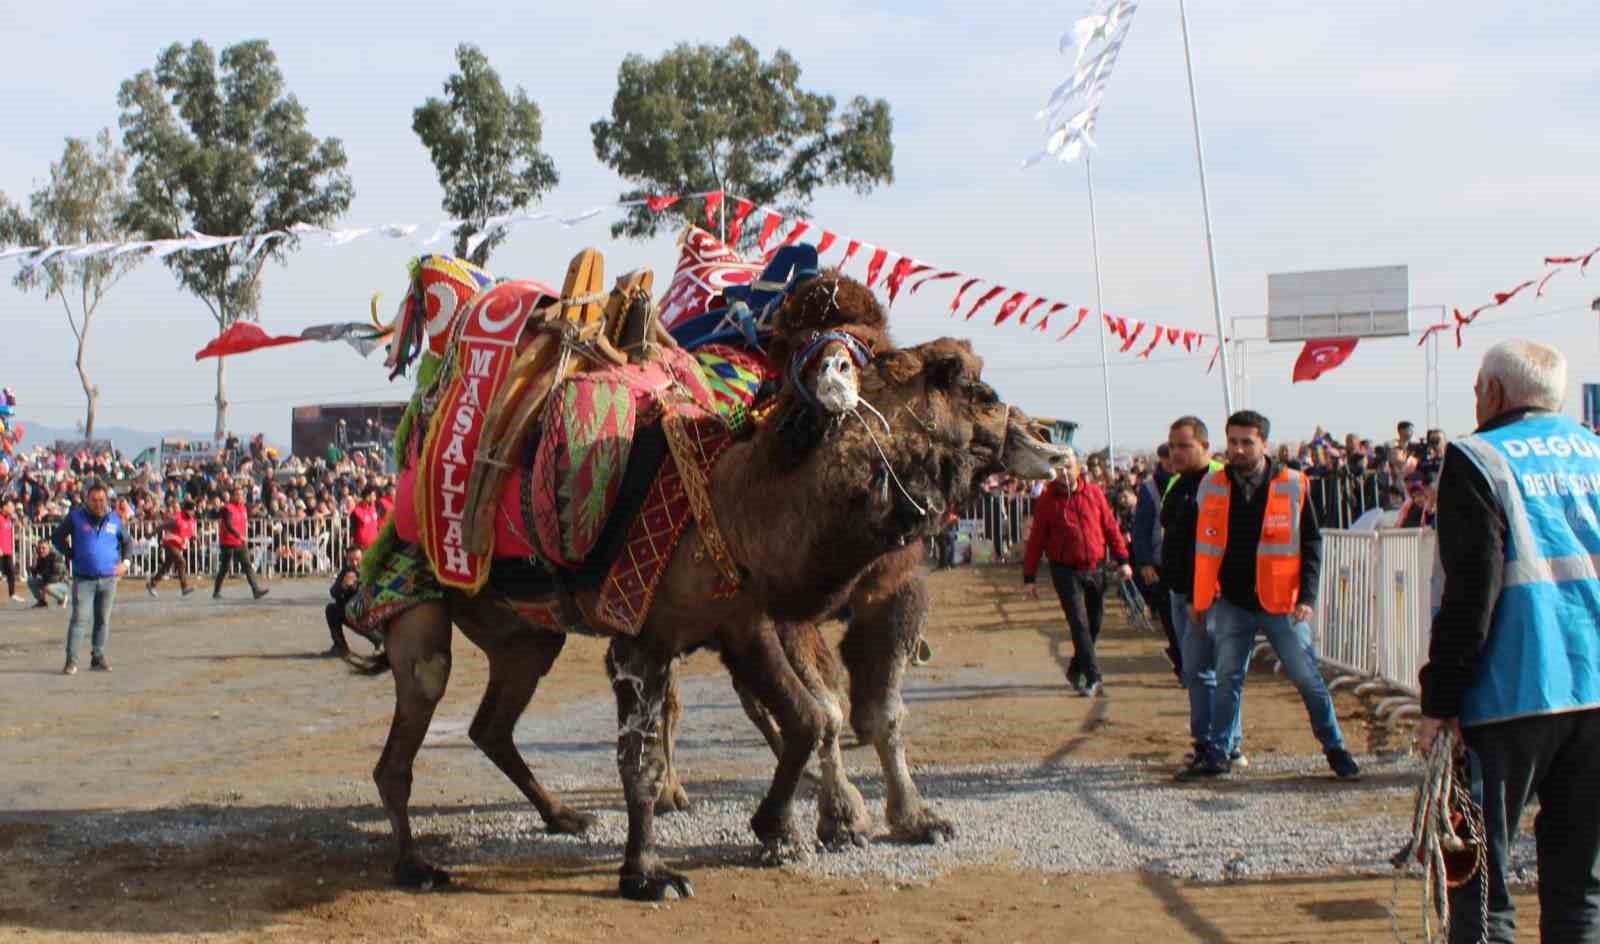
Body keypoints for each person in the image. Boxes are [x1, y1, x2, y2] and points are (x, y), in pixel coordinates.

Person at [1416, 340, 1600, 944]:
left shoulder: (1477, 458)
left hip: (1510, 696)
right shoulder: (1594, 453)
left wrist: (1440, 702)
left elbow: (1472, 591)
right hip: (1593, 694)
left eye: (1475, 389)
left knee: (1480, 884)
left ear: (1493, 393)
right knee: (1581, 887)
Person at [1182, 410, 1361, 781]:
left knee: (1307, 677)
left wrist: (1307, 597)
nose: (1238, 449)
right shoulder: (1213, 485)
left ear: (1264, 443)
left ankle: (1335, 748)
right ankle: (1218, 752)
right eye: (1232, 441)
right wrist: (1200, 601)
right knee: (1227, 677)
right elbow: (1203, 548)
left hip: (1283, 604)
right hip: (1232, 602)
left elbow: (1312, 543)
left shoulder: (1293, 484)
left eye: (1247, 442)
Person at [1163, 417, 1247, 775]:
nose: (1176, 453)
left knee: (1219, 672)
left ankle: (1227, 744)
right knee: (1195, 672)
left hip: (1211, 598)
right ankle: (1205, 742)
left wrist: (1209, 592)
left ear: (1204, 446)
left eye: (1184, 446)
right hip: (1182, 594)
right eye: (1172, 446)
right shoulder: (1176, 484)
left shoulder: (1220, 483)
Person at [1022, 447, 1133, 697]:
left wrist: (1123, 558)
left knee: (1094, 624)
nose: (1063, 471)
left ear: (1077, 467)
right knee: (1079, 623)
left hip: (1096, 567)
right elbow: (1036, 541)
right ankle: (1094, 676)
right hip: (1065, 571)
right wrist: (1029, 578)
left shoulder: (1094, 493)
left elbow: (1110, 527)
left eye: (1067, 465)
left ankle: (1075, 668)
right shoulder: (1048, 501)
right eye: (1058, 467)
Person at [50, 480, 131, 675]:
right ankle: (71, 661)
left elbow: (128, 543)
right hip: (84, 579)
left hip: (109, 579)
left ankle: (98, 656)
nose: (98, 504)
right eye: (93, 500)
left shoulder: (114, 519)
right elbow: (56, 537)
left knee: (103, 619)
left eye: (101, 500)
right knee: (79, 619)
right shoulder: (75, 517)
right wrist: (71, 553)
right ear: (87, 500)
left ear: (106, 500)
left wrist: (125, 564)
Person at [1132, 444, 1181, 679]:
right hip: (1160, 560)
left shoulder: (1192, 480)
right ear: (1161, 461)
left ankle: (1183, 658)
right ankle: (1181, 663)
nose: (1172, 464)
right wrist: (1144, 562)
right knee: (1169, 615)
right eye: (1167, 460)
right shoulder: (1150, 489)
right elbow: (1140, 527)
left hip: (1186, 559)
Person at [213, 486, 268, 600]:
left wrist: (256, 512)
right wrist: (239, 535)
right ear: (232, 496)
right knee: (225, 568)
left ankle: (256, 590)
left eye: (242, 494)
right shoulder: (227, 508)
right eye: (237, 494)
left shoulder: (243, 507)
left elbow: (247, 517)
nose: (240, 496)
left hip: (240, 543)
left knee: (248, 565)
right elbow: (228, 525)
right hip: (228, 543)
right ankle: (216, 591)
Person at [323, 546, 377, 657]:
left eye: (357, 559)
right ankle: (340, 647)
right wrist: (343, 586)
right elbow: (333, 592)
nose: (354, 563)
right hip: (350, 612)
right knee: (332, 609)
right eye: (351, 560)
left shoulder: (371, 571)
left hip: (370, 614)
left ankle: (380, 641)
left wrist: (357, 585)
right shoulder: (346, 571)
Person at [147, 498, 197, 598]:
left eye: (194, 510)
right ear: (186, 510)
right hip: (170, 543)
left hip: (178, 545)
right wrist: (151, 534)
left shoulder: (192, 520)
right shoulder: (176, 519)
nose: (193, 512)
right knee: (181, 562)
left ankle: (152, 584)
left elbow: (190, 532)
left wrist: (195, 538)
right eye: (191, 510)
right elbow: (162, 526)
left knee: (166, 566)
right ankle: (184, 587)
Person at [26, 539, 69, 608]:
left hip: (62, 584)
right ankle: (41, 601)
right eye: (39, 548)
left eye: (44, 548)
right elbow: (37, 572)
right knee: (31, 580)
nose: (41, 550)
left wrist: (44, 584)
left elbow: (57, 576)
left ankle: (63, 598)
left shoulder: (56, 557)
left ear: (49, 548)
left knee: (48, 587)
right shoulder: (40, 557)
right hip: (49, 582)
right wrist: (32, 570)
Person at [349, 486, 382, 551]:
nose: (375, 498)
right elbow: (352, 529)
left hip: (375, 546)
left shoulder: (375, 508)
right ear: (367, 497)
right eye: (373, 495)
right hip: (361, 547)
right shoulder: (356, 511)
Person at [0, 496, 18, 602]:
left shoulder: (9, 518)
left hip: (8, 551)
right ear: (4, 506)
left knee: (11, 572)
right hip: (1, 551)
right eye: (11, 506)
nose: (13, 508)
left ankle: (12, 594)